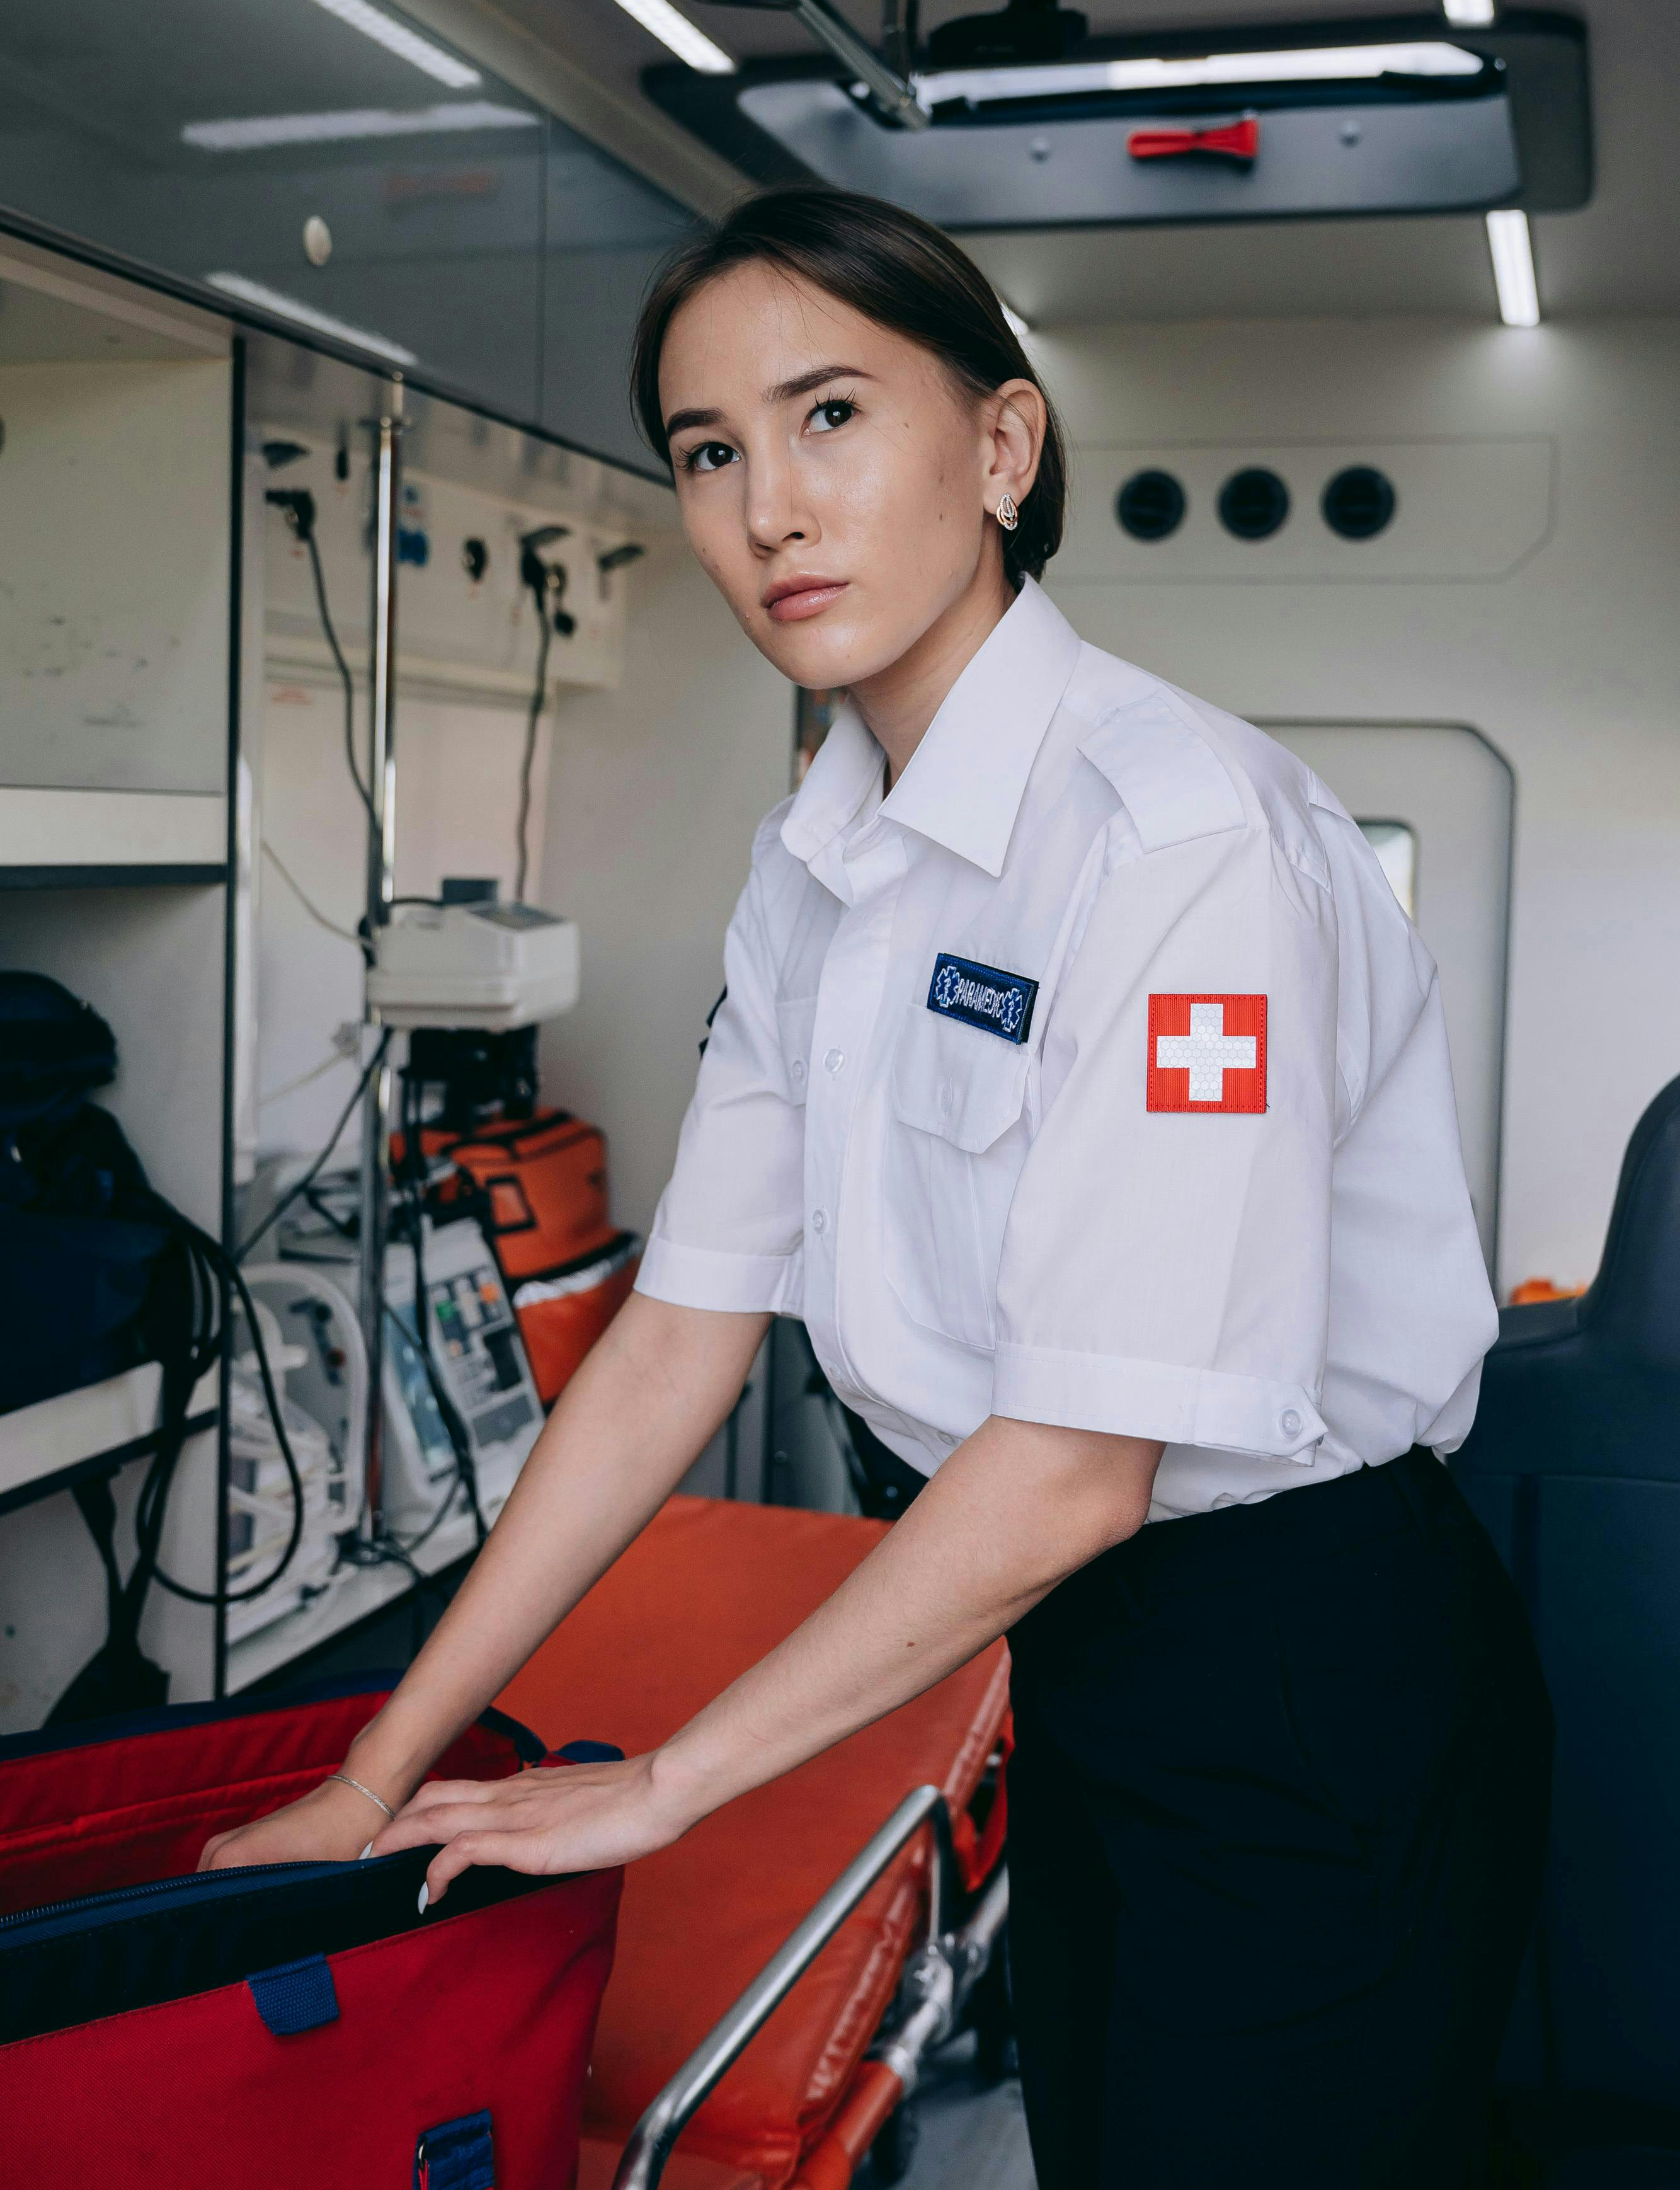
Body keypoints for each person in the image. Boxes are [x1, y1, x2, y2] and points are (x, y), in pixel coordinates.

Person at [207, 188, 1550, 2187]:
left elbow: (1084, 1469)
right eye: (708, 451)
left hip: (1297, 1668)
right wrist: (372, 1767)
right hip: (1080, 1648)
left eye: (828, 414)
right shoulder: (819, 861)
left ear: (1002, 450)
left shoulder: (1178, 843)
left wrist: (662, 1783)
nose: (769, 508)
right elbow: (675, 1333)